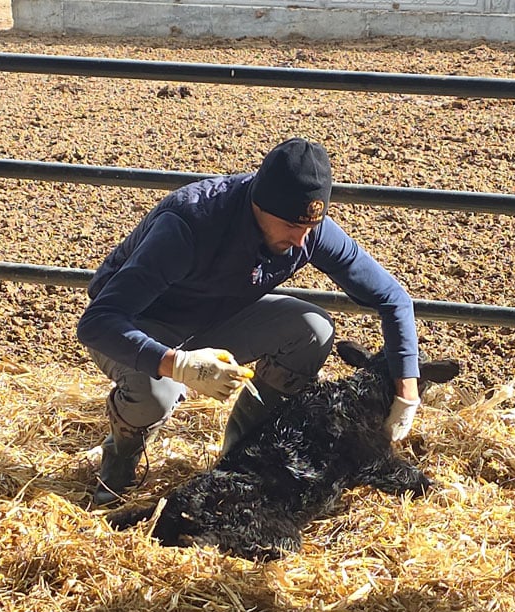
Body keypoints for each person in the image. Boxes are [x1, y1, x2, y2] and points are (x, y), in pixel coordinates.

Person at [77, 137, 423, 505]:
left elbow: (393, 297)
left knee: (312, 329)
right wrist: (177, 364)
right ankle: (122, 457)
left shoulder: (306, 230)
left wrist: (407, 392)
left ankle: (238, 461)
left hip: (215, 318)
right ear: (260, 204)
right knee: (155, 394)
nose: (301, 239)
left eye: (311, 226)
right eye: (291, 225)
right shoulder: (190, 225)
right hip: (140, 325)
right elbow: (98, 322)